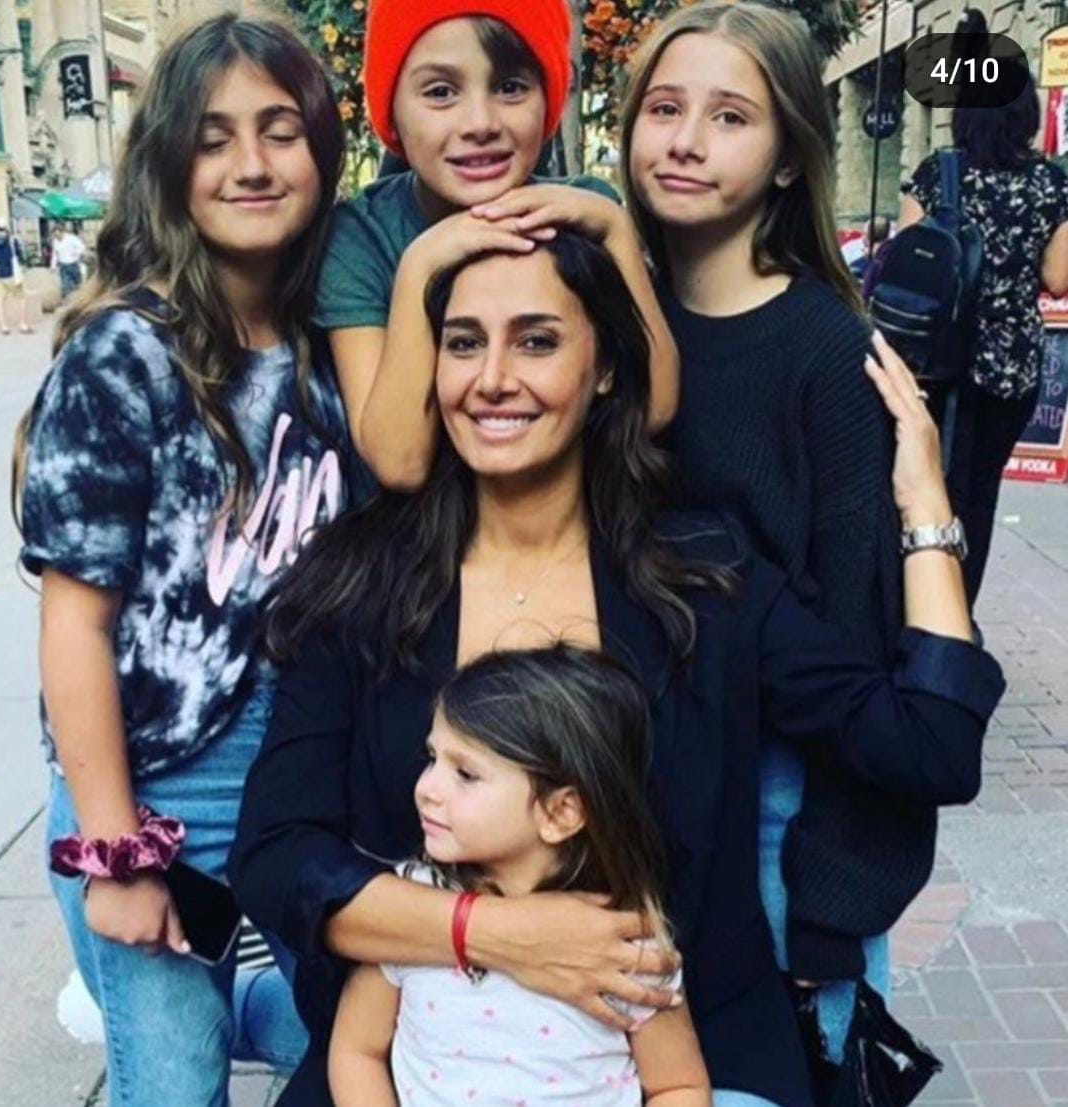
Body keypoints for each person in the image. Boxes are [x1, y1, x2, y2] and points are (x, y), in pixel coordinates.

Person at [230, 231, 1004, 1107]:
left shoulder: (704, 578)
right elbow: (277, 857)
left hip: (690, 1056)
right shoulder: (364, 583)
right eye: (464, 342)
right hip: (418, 1060)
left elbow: (931, 748)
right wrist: (497, 932)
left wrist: (925, 505)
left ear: (604, 367)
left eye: (537, 340)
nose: (492, 379)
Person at [15, 15, 371, 1106]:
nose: (251, 163)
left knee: (367, 1042)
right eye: (214, 139)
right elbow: (74, 621)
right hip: (161, 784)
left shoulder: (341, 343)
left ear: (322, 147)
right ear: (169, 164)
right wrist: (116, 853)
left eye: (280, 130)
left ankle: (235, 1000)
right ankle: (176, 998)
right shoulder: (125, 351)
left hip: (312, 768)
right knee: (172, 1082)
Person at [618, 0, 920, 1061]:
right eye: (664, 108)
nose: (686, 140)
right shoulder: (602, 324)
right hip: (627, 796)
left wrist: (834, 904)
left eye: (731, 117)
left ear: (791, 157)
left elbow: (865, 641)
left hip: (780, 808)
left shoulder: (829, 354)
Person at [315, 0, 678, 490]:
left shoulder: (585, 213)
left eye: (510, 88)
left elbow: (653, 407)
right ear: (392, 112)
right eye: (440, 92)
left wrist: (615, 231)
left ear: (548, 100)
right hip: (410, 533)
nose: (480, 122)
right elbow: (400, 463)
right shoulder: (362, 236)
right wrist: (422, 264)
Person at [329, 646, 712, 1106]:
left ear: (561, 812)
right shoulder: (414, 906)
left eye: (465, 774)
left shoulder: (621, 943)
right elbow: (357, 1050)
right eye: (432, 758)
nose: (426, 788)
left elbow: (678, 1086)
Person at [899, 8, 1068, 604]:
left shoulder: (936, 174)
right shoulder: (1052, 185)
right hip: (1010, 370)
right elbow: (1057, 279)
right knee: (980, 494)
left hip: (935, 367)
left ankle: (914, 605)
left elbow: (907, 269)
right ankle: (958, 615)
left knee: (928, 486)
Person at [0, 223, 34, 334]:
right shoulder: (12, 241)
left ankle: (3, 326)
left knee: (0, 300)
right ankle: (22, 324)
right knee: (22, 298)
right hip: (12, 275)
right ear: (7, 229)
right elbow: (19, 255)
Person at [50, 223, 86, 299]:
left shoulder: (72, 238)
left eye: (58, 235)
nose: (57, 237)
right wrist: (53, 266)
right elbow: (55, 254)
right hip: (63, 266)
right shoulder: (55, 242)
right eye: (55, 235)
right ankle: (67, 301)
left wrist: (76, 253)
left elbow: (82, 247)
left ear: (63, 232)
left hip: (73, 265)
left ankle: (78, 299)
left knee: (77, 284)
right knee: (65, 286)